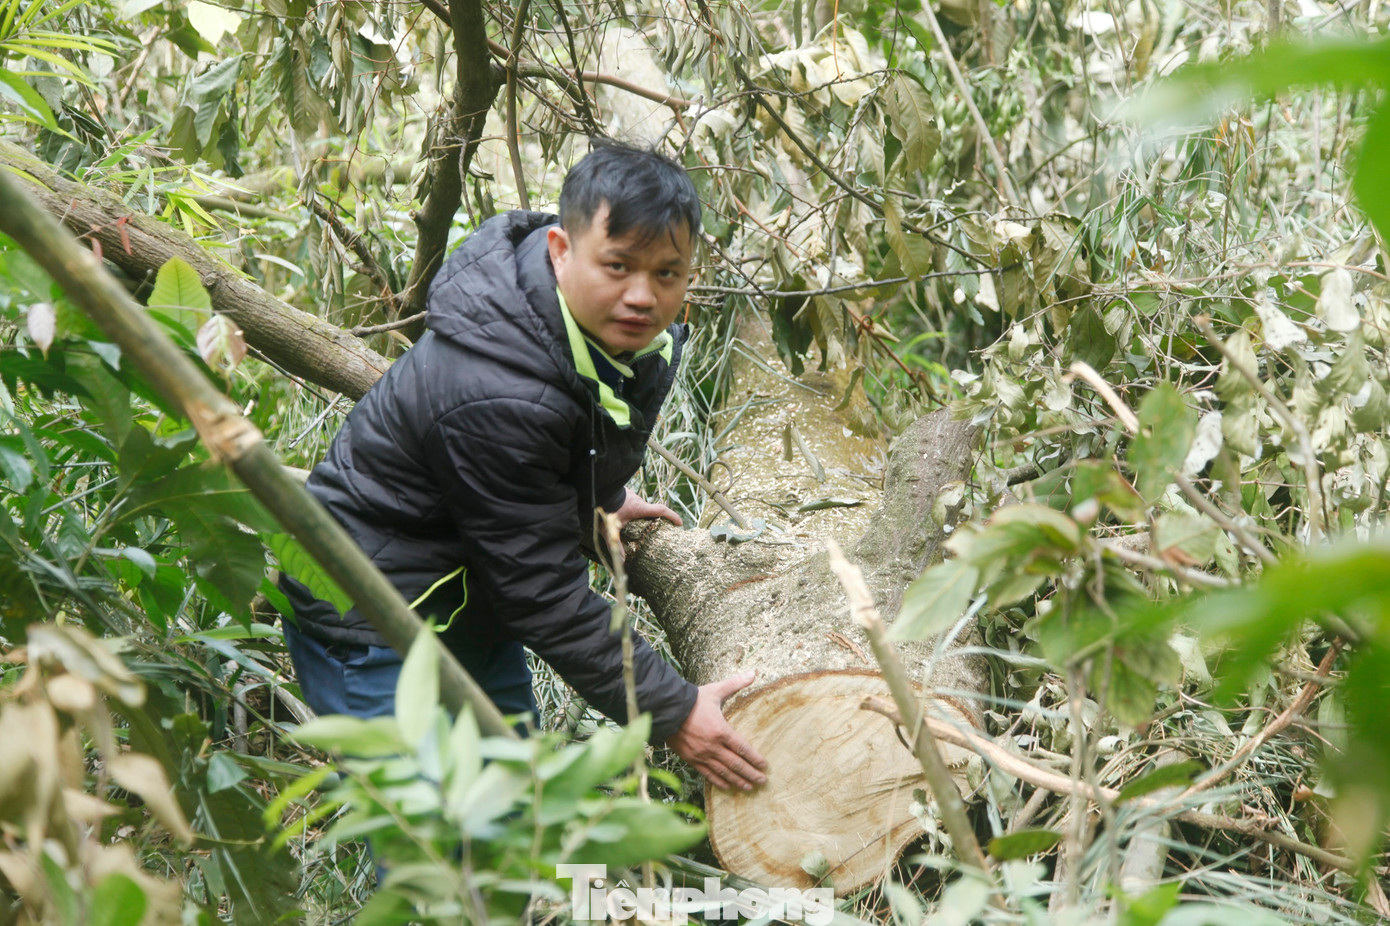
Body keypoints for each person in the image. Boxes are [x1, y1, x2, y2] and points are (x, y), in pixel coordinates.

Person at [279, 142, 767, 792]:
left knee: (505, 805)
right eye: (617, 266)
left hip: (466, 589)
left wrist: (593, 498)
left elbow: (579, 430)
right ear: (560, 250)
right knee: (434, 836)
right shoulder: (497, 389)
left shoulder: (629, 336)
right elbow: (540, 590)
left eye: (668, 274)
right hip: (366, 612)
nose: (643, 296)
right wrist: (672, 709)